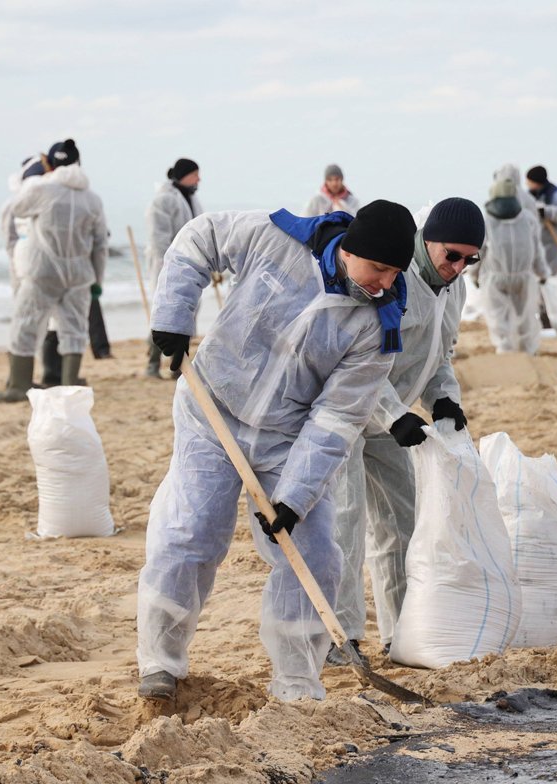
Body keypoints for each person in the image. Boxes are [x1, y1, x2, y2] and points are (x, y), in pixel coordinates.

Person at [136, 200, 417, 702]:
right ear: (349, 251)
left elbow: (337, 418)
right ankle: (160, 664)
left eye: (396, 272)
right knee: (190, 533)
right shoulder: (279, 239)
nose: (386, 283)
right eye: (379, 268)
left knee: (314, 555)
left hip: (286, 440)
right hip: (212, 410)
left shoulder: (379, 327)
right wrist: (175, 317)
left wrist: (295, 496)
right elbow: (198, 239)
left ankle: (296, 683)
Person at [330, 197, 482, 662]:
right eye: (450, 255)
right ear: (427, 240)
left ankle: (402, 631)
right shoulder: (394, 280)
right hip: (343, 414)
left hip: (394, 424)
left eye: (469, 259)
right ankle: (340, 636)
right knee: (344, 520)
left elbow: (439, 354)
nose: (457, 267)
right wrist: (393, 414)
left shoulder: (453, 290)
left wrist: (443, 398)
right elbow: (357, 362)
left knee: (402, 524)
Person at [0, 139, 108, 401]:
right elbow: (100, 244)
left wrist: (34, 179)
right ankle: (69, 385)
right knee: (74, 329)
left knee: (26, 324)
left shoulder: (44, 189)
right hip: (79, 274)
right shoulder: (92, 199)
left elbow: (17, 208)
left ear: (52, 164)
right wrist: (97, 280)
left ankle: (19, 386)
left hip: (41, 270)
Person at [473, 165, 549, 354]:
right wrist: (543, 272)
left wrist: (474, 274)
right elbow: (536, 249)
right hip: (523, 276)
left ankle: (506, 350)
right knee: (526, 316)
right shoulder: (529, 218)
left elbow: (479, 251)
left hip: (496, 276)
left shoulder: (487, 220)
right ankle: (528, 351)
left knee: (499, 317)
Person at [144, 158, 203, 379]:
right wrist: (169, 265)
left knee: (185, 314)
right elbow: (158, 237)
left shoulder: (192, 199)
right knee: (164, 314)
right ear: (184, 175)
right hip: (167, 265)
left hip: (191, 266)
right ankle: (152, 364)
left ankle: (178, 367)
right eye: (195, 174)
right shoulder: (164, 200)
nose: (198, 179)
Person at [526, 165, 557, 277]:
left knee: (551, 277)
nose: (527, 184)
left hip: (553, 246)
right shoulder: (530, 195)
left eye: (528, 181)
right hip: (537, 245)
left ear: (535, 181)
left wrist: (546, 211)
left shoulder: (556, 195)